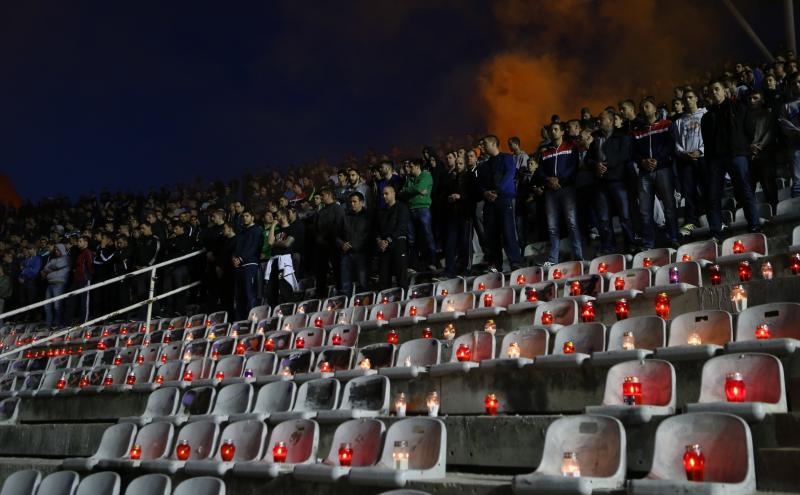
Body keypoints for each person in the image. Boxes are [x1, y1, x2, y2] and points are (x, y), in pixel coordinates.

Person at [702, 78, 762, 239]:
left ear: (724, 91)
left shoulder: (739, 107)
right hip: (715, 159)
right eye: (711, 91)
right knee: (713, 196)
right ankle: (716, 232)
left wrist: (743, 147)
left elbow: (750, 129)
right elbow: (706, 140)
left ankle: (754, 226)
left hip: (737, 154)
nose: (714, 93)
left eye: (717, 89)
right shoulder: (706, 117)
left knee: (744, 190)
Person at [632, 96, 680, 249]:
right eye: (641, 107)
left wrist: (658, 160)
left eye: (647, 106)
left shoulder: (667, 125)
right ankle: (649, 243)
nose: (644, 109)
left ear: (654, 108)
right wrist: (642, 162)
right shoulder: (637, 132)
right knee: (645, 210)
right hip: (645, 172)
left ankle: (674, 237)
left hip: (663, 169)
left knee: (669, 206)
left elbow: (671, 145)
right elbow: (634, 152)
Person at [589, 109, 635, 254]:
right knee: (603, 218)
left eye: (602, 119)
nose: (599, 121)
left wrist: (606, 165)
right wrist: (596, 166)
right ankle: (608, 247)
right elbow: (588, 159)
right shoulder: (596, 139)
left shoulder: (622, 136)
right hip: (601, 182)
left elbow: (624, 155)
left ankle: (631, 244)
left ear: (610, 121)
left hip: (618, 181)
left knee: (625, 215)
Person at [537, 123, 583, 265]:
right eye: (551, 130)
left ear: (563, 132)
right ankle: (553, 260)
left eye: (556, 129)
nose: (553, 132)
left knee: (572, 222)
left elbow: (573, 166)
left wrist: (560, 180)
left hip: (567, 189)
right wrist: (548, 180)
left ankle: (578, 256)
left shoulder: (571, 147)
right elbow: (540, 171)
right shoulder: (545, 152)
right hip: (550, 191)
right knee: (552, 226)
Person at [477, 135, 523, 270]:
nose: (482, 146)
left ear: (493, 143)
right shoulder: (483, 166)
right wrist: (485, 193)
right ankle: (496, 265)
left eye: (484, 143)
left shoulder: (506, 158)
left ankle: (515, 262)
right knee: (492, 234)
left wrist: (497, 191)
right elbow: (479, 184)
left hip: (504, 199)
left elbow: (510, 174)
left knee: (508, 231)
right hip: (490, 202)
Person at [674, 89, 708, 236]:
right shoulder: (679, 121)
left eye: (690, 97)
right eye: (685, 98)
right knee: (689, 193)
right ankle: (690, 223)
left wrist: (700, 150)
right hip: (687, 161)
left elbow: (710, 136)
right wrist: (684, 154)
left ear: (696, 98)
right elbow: (676, 143)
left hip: (703, 157)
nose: (687, 100)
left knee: (708, 189)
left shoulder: (705, 115)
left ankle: (712, 219)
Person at [400, 159, 436, 271]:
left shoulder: (426, 175)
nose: (409, 169)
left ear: (417, 166)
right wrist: (415, 190)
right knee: (411, 239)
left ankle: (433, 262)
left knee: (427, 236)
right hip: (411, 210)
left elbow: (419, 188)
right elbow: (401, 193)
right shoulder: (409, 178)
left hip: (423, 209)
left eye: (411, 166)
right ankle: (414, 264)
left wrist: (409, 190)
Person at [313, 187, 345, 298]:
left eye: (323, 195)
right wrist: (319, 238)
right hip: (322, 246)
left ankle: (341, 291)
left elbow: (339, 225)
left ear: (329, 194)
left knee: (337, 269)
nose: (321, 197)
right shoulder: (320, 212)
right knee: (321, 270)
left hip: (335, 244)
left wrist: (331, 238)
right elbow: (316, 228)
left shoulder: (338, 208)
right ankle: (320, 293)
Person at [338, 192, 372, 295]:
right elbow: (336, 234)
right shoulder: (345, 216)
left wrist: (355, 245)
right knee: (345, 284)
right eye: (351, 202)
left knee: (363, 282)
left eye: (355, 201)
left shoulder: (368, 216)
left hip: (362, 253)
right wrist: (342, 244)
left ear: (361, 202)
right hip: (346, 253)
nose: (352, 204)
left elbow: (370, 235)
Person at [232, 210, 263, 319]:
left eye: (247, 216)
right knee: (239, 295)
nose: (244, 218)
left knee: (250, 293)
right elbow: (236, 247)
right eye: (243, 216)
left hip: (250, 265)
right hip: (239, 266)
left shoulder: (256, 230)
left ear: (252, 217)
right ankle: (240, 321)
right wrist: (234, 258)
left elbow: (254, 247)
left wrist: (241, 258)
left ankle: (252, 320)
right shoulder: (241, 232)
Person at [376, 185, 410, 289]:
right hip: (384, 247)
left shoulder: (402, 207)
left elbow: (402, 226)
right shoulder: (381, 211)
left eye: (386, 193)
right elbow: (377, 229)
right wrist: (379, 241)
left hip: (398, 243)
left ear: (393, 193)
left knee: (401, 276)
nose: (384, 196)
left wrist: (387, 240)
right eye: (383, 194)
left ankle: (404, 297)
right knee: (383, 278)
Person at [779, 70, 800, 198]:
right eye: (794, 83)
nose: (797, 85)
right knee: (798, 181)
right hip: (796, 146)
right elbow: (784, 126)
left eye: (799, 82)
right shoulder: (786, 106)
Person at [41, 243, 70, 326]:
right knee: (47, 305)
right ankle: (48, 323)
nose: (56, 251)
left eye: (58, 250)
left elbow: (60, 271)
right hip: (50, 284)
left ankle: (58, 322)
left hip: (60, 284)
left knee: (57, 306)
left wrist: (49, 272)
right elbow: (45, 268)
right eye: (55, 250)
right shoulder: (53, 259)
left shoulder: (67, 259)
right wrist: (54, 270)